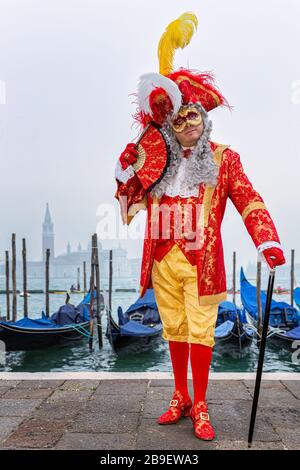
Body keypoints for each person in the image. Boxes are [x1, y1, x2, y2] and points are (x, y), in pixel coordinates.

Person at [114, 13, 285, 441]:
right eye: (179, 119)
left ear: (203, 118)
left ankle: (202, 402)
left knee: (200, 332)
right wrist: (122, 169)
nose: (188, 123)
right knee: (172, 328)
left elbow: (248, 198)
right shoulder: (157, 163)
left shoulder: (224, 159)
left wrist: (267, 241)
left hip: (202, 263)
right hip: (163, 261)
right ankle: (179, 396)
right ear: (169, 126)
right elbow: (129, 192)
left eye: (193, 116)